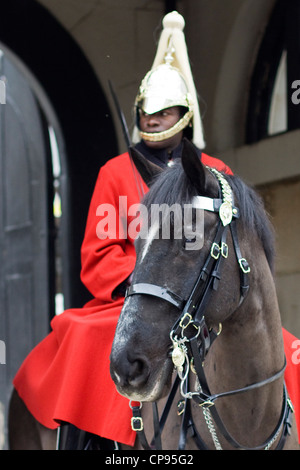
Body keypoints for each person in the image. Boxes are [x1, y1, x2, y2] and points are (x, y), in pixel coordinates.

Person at [10, 11, 299, 449]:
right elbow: (98, 255)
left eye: (163, 114)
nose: (152, 120)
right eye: (146, 113)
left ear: (183, 115)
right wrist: (146, 281)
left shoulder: (215, 174)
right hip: (131, 294)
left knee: (285, 346)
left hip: (200, 300)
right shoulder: (114, 172)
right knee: (83, 335)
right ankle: (90, 438)